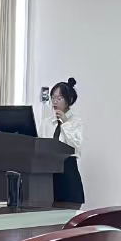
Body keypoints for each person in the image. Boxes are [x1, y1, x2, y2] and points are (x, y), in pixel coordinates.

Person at [49, 78, 85, 206]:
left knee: (69, 211)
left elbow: (76, 146)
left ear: (69, 100)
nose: (55, 102)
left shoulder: (76, 122)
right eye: (53, 98)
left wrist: (65, 123)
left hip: (68, 171)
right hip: (48, 173)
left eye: (59, 98)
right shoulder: (47, 122)